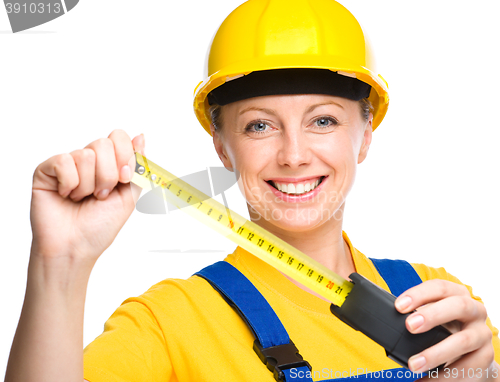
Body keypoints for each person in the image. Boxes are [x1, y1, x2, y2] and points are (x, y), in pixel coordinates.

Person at [5, 0, 499, 381]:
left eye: (323, 120)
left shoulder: (435, 304)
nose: (293, 155)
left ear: (365, 135)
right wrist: (60, 265)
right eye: (259, 126)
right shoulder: (169, 321)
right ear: (223, 149)